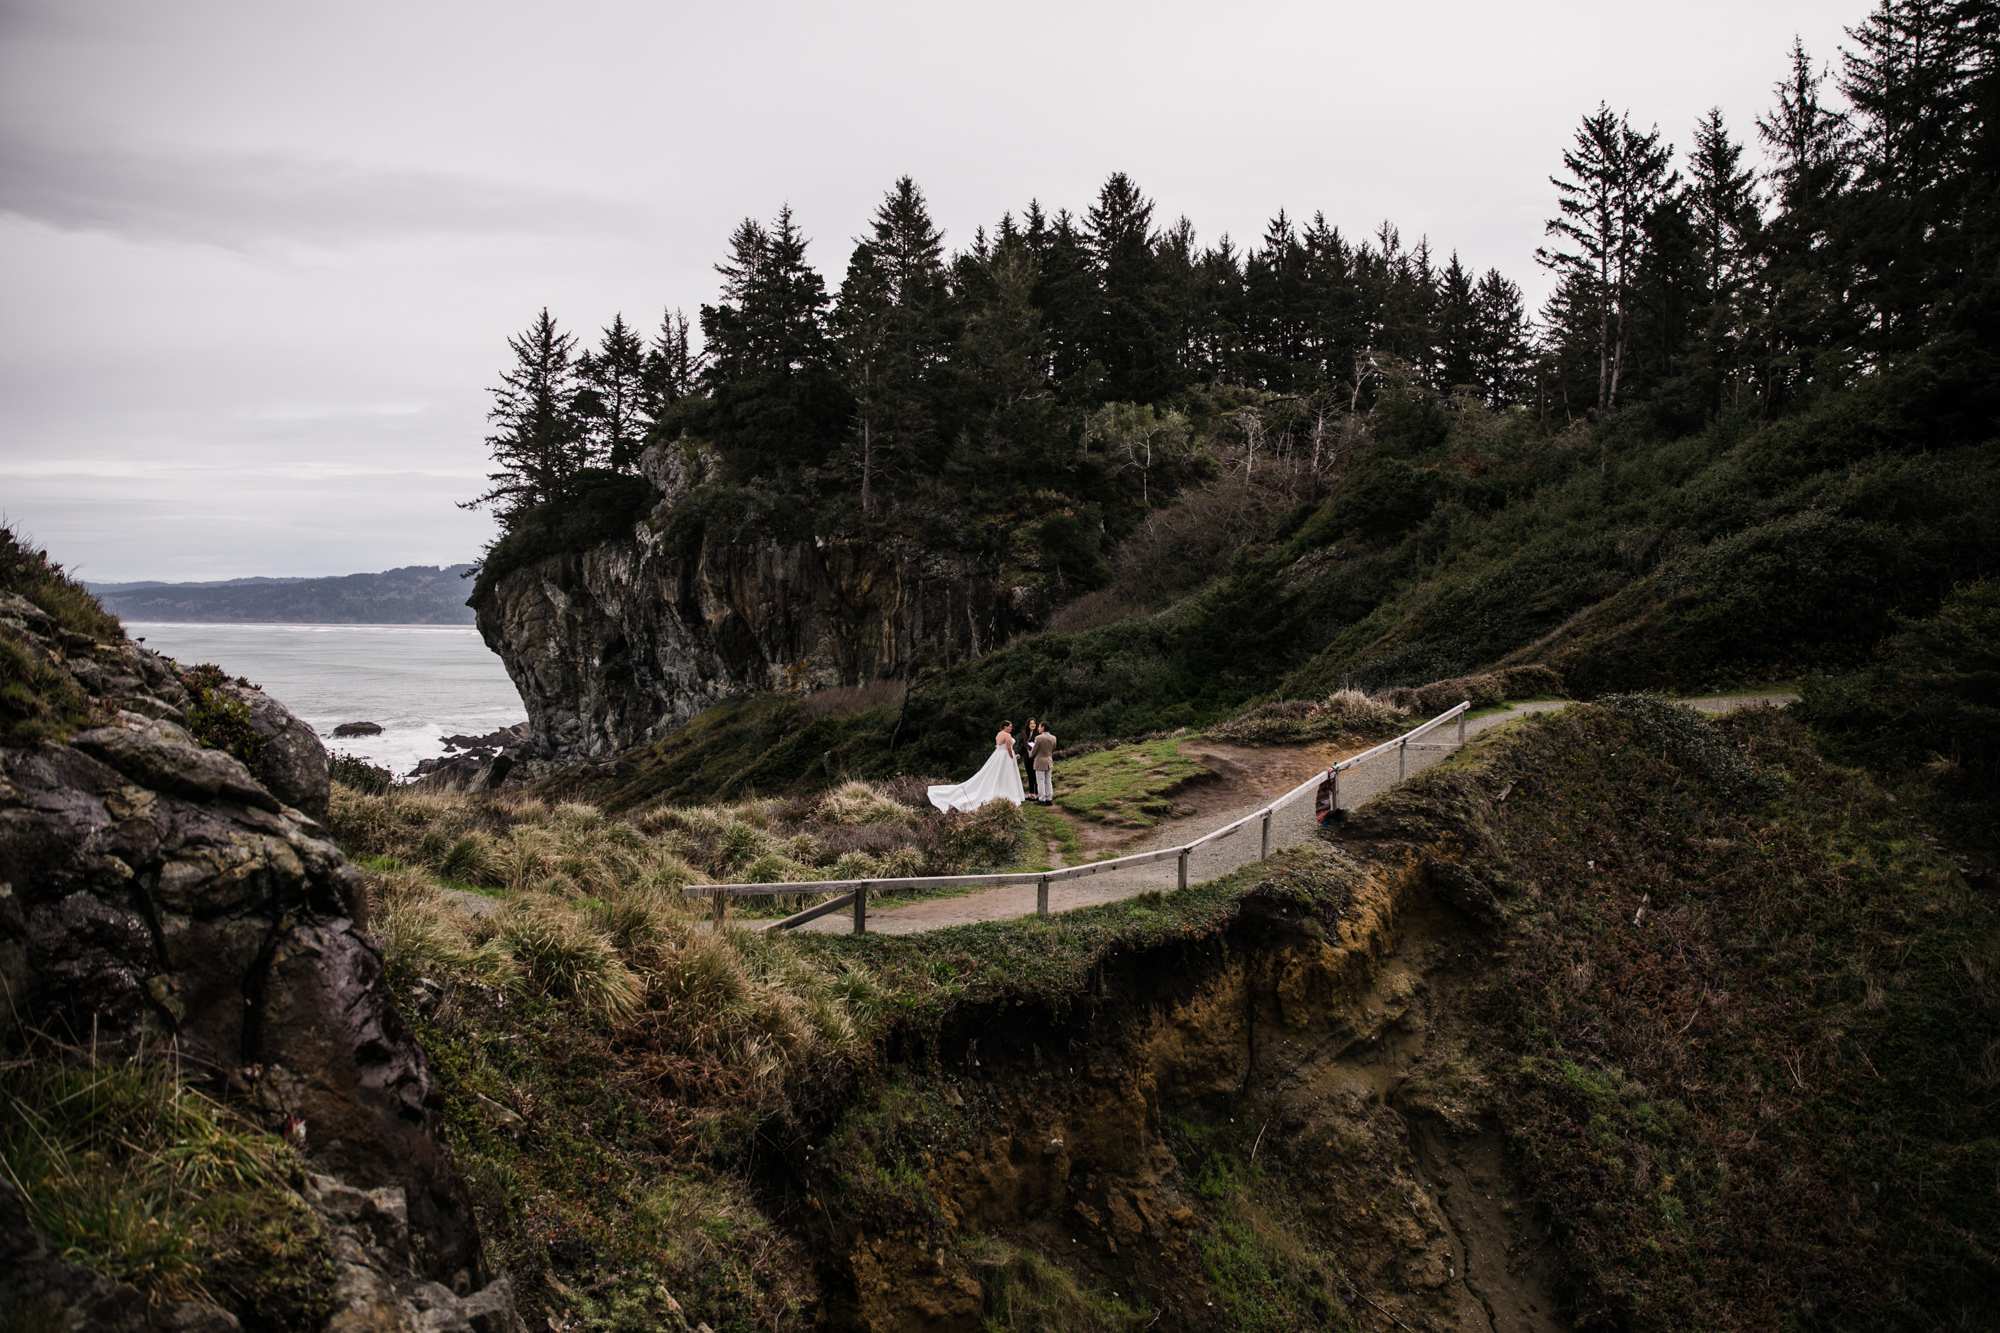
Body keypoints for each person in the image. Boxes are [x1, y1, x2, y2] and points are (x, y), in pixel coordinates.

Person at [926, 721, 1028, 812]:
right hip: (1005, 756)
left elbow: (998, 745)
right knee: (1006, 775)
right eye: (1009, 726)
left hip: (998, 755)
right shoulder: (1007, 735)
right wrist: (1012, 757)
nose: (1011, 728)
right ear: (1005, 727)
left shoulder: (998, 734)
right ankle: (1008, 792)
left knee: (997, 773)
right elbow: (1009, 748)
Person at [1031, 721, 1057, 805]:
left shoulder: (1038, 738)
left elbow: (1034, 751)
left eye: (1039, 726)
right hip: (1049, 761)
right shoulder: (1053, 738)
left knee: (1040, 781)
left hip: (1040, 761)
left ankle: (1041, 799)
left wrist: (1029, 752)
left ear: (1043, 727)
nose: (1038, 728)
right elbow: (1053, 749)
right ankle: (1049, 799)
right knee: (1048, 781)